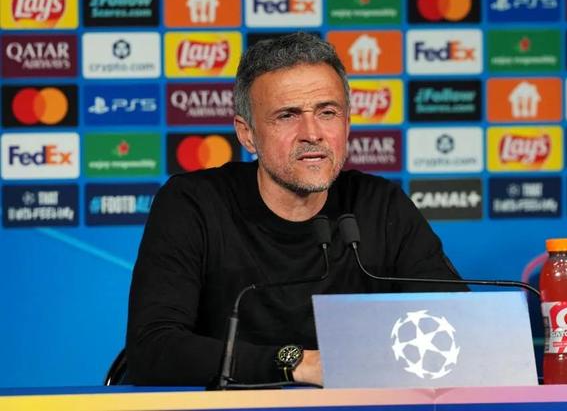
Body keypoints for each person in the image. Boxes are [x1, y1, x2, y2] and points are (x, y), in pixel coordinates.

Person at [125, 32, 466, 386]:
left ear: (347, 124)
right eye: (287, 115)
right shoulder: (194, 203)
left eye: (327, 112)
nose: (312, 133)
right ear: (247, 133)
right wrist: (298, 363)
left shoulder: (379, 203)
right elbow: (152, 348)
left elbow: (458, 328)